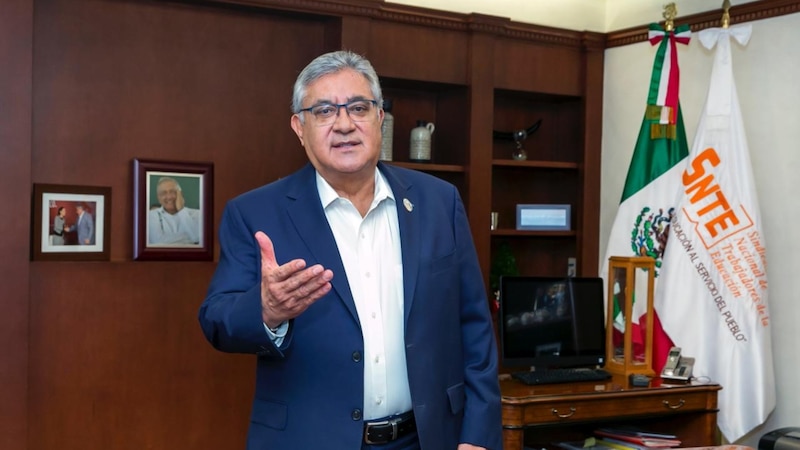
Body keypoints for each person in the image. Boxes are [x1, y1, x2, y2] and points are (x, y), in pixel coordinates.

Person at [198, 50, 502, 450]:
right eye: (323, 111)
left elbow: (474, 327)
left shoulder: (438, 202)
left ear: (379, 118)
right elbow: (216, 319)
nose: (344, 124)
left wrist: (477, 436)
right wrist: (267, 311)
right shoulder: (255, 213)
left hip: (428, 439)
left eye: (358, 107)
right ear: (299, 127)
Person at [147, 176, 201, 245]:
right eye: (164, 193)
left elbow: (197, 237)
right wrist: (189, 237)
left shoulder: (198, 214)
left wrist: (181, 210)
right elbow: (158, 242)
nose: (169, 197)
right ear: (159, 198)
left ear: (180, 194)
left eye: (173, 192)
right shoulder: (151, 215)